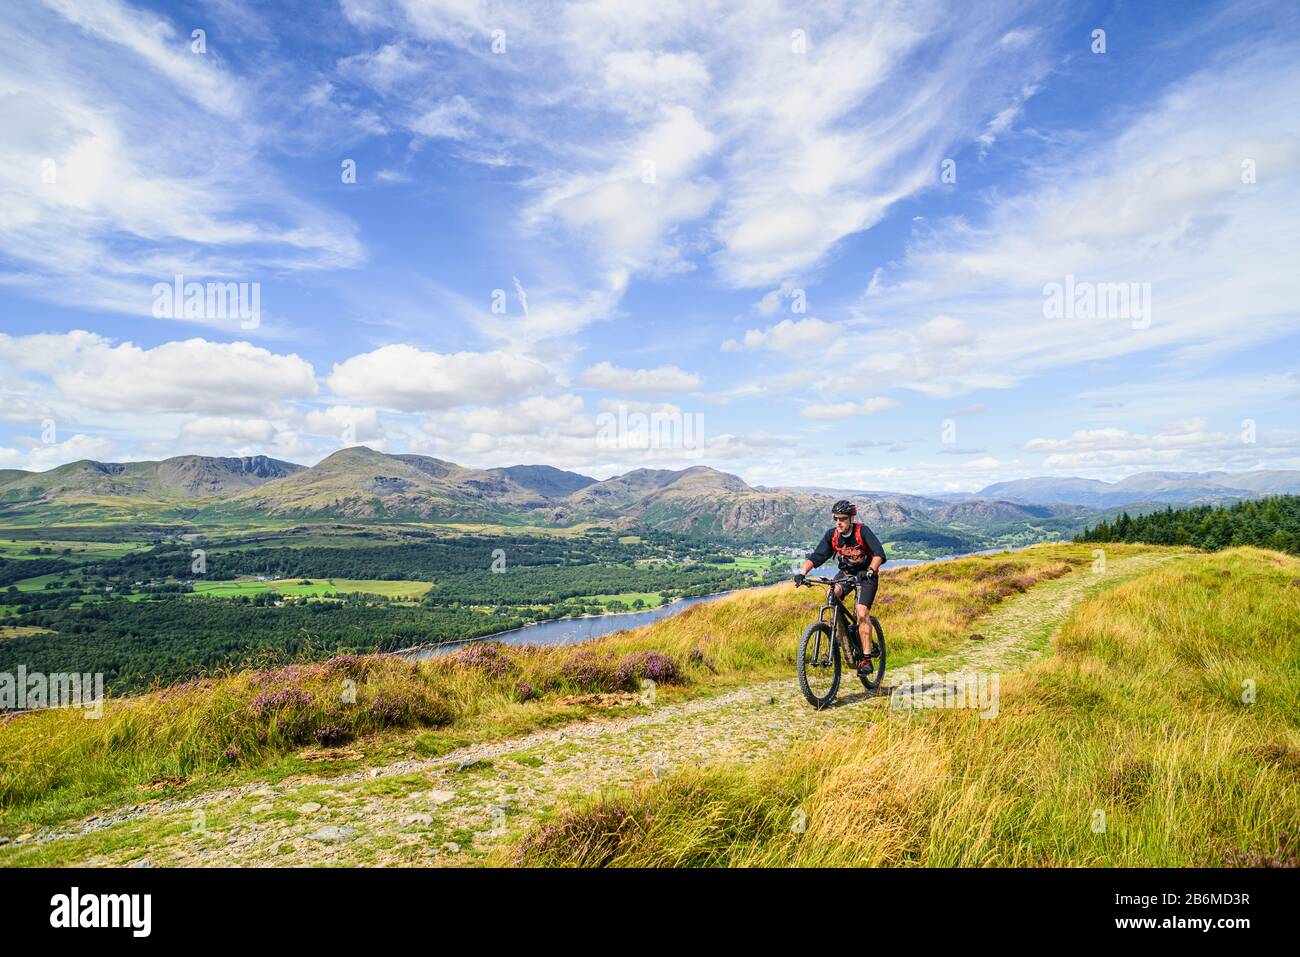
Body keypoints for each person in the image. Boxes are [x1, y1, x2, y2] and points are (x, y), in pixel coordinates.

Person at [794, 499, 887, 670]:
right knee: (831, 595)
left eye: (842, 519)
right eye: (836, 518)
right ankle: (842, 633)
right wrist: (802, 573)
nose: (839, 522)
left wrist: (872, 569)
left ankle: (866, 658)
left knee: (861, 612)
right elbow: (817, 556)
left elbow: (878, 554)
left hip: (866, 575)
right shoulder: (833, 536)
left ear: (851, 518)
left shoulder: (862, 531)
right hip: (845, 574)